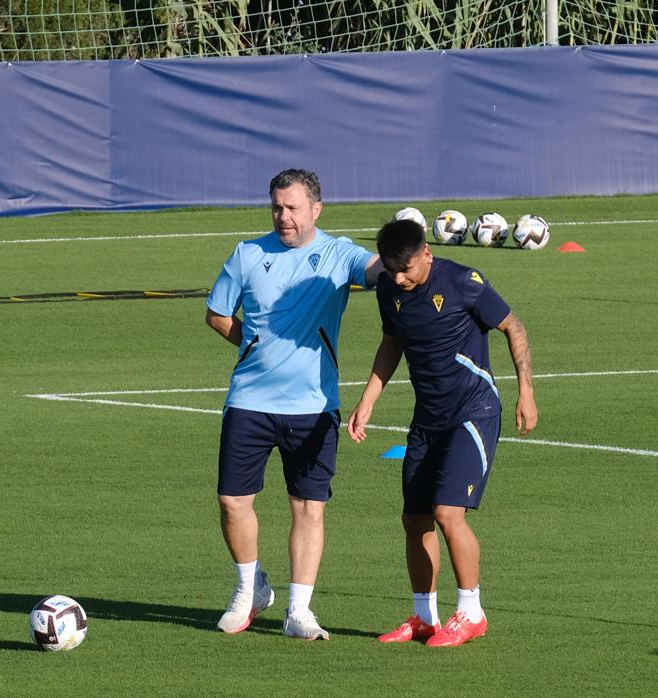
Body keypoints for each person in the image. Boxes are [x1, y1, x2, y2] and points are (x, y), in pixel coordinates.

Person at [206, 168, 382, 640]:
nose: (283, 217)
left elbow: (377, 270)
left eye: (292, 208)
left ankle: (298, 611)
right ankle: (250, 588)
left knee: (308, 508)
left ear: (316, 209)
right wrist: (252, 347)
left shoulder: (338, 253)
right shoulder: (248, 253)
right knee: (232, 500)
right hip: (249, 400)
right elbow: (218, 314)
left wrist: (399, 251)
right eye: (277, 208)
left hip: (313, 405)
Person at [347, 218, 537, 647]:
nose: (399, 278)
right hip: (427, 420)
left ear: (427, 254)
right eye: (392, 270)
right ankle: (423, 617)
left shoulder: (463, 282)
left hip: (473, 413)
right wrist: (368, 400)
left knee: (449, 513)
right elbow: (392, 342)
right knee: (414, 519)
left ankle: (472, 613)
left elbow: (513, 325)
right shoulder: (389, 289)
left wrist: (526, 390)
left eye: (407, 269)